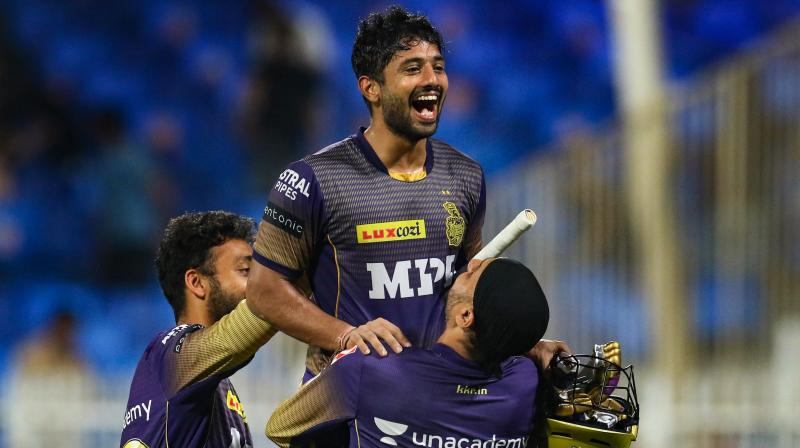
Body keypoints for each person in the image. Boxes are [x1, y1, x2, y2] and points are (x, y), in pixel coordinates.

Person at [246, 5, 491, 382]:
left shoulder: (466, 175)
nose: (432, 80)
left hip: (433, 401)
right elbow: (263, 291)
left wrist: (525, 343)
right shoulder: (312, 180)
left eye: (438, 67)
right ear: (370, 87)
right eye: (413, 68)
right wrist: (344, 335)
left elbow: (469, 287)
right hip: (346, 405)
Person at [266, 257, 551, 448]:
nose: (470, 264)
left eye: (474, 274)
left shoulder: (371, 366)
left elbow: (280, 427)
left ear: (466, 316)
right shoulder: (525, 380)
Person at [120, 211, 277, 448]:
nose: (256, 284)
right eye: (246, 271)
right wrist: (287, 289)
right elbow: (240, 334)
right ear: (196, 282)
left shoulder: (217, 384)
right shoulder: (169, 356)